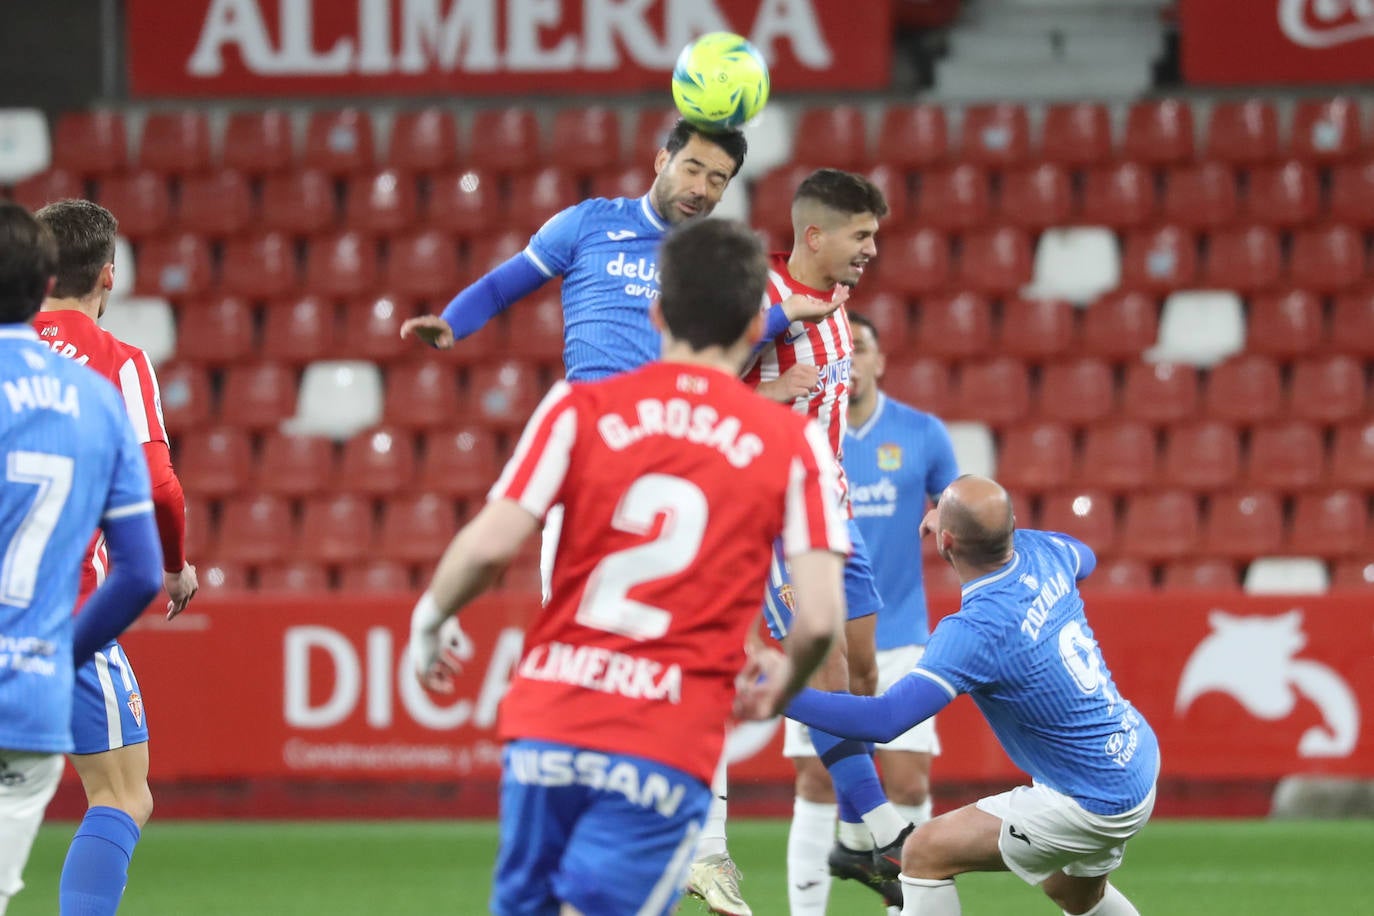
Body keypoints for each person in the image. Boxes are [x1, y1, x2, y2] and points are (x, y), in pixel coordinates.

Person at [404, 218, 849, 916]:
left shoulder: (576, 409)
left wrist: (430, 621)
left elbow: (489, 548)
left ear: (656, 312)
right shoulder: (792, 443)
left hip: (547, 727)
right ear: (750, 326)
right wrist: (779, 684)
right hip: (663, 739)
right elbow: (821, 616)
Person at [773, 475, 1160, 916]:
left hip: (1088, 799)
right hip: (1134, 759)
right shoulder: (1047, 553)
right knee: (1074, 894)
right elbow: (1085, 558)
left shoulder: (974, 631)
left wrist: (778, 693)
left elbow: (884, 720)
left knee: (923, 853)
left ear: (945, 542)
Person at [704, 168, 910, 913]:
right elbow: (688, 388)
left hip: (837, 512)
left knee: (862, 677)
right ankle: (885, 832)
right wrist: (760, 397)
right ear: (815, 235)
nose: (872, 250)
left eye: (876, 236)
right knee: (822, 672)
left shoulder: (836, 306)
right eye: (862, 236)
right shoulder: (758, 301)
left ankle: (855, 844)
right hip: (775, 518)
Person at [31, 199, 199, 915]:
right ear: (107, 276)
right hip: (61, 609)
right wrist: (174, 564)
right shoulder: (117, 362)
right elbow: (159, 486)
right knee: (123, 794)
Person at [0, 201, 163, 916]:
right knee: (122, 793)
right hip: (49, 619)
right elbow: (148, 539)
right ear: (105, 275)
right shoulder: (101, 382)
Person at [844, 312, 959, 831]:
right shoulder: (800, 432)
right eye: (840, 349)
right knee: (819, 781)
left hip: (902, 635)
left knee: (909, 781)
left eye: (861, 347)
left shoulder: (921, 433)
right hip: (826, 640)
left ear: (880, 360)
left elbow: (958, 503)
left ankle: (910, 905)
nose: (851, 359)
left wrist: (942, 514)